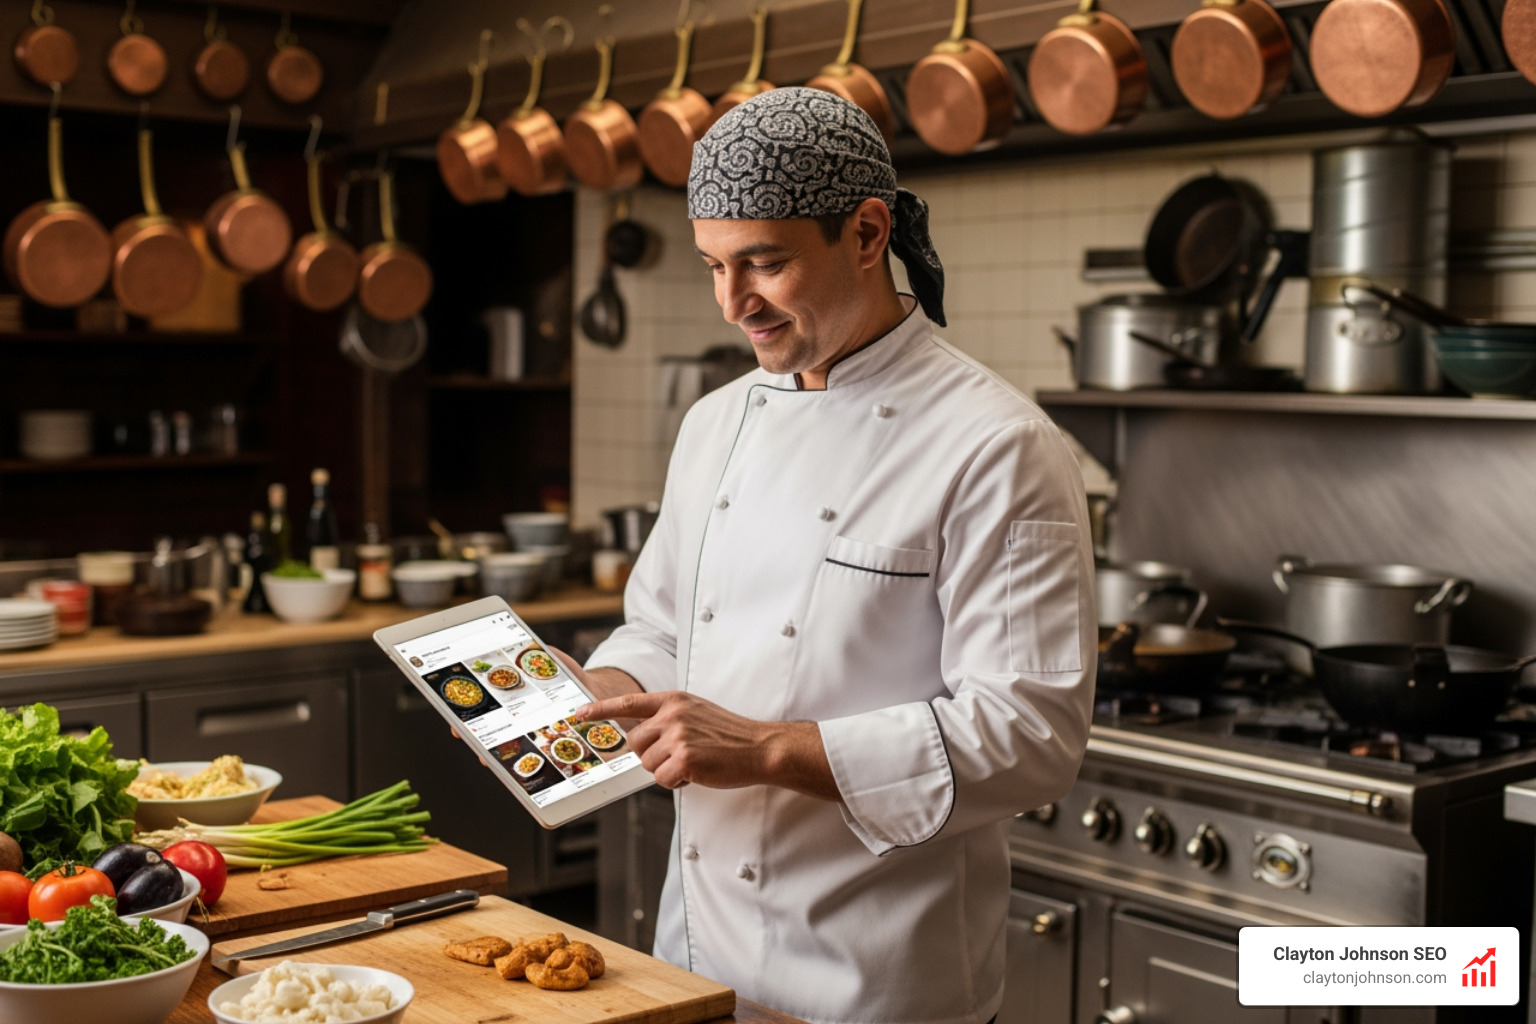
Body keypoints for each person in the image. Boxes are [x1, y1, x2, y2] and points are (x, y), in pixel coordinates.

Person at [569, 87, 1096, 1024]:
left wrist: (768, 748)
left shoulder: (997, 445)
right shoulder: (715, 422)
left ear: (865, 233)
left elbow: (1030, 735)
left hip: (880, 977)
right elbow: (664, 626)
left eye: (764, 263)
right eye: (714, 266)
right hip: (698, 960)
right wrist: (605, 690)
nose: (733, 304)